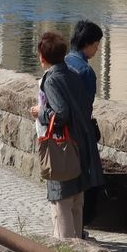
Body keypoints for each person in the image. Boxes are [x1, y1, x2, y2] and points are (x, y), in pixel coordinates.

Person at [30, 31, 103, 239]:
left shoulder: (51, 79)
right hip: (80, 144)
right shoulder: (74, 74)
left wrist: (40, 112)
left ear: (42, 57)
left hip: (62, 148)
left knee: (61, 203)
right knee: (77, 202)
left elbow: (60, 114)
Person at [65, 19, 104, 228]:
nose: (97, 49)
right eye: (96, 44)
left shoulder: (62, 63)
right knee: (88, 182)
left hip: (61, 131)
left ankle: (68, 226)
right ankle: (79, 227)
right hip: (81, 132)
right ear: (87, 43)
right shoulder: (86, 72)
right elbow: (86, 105)